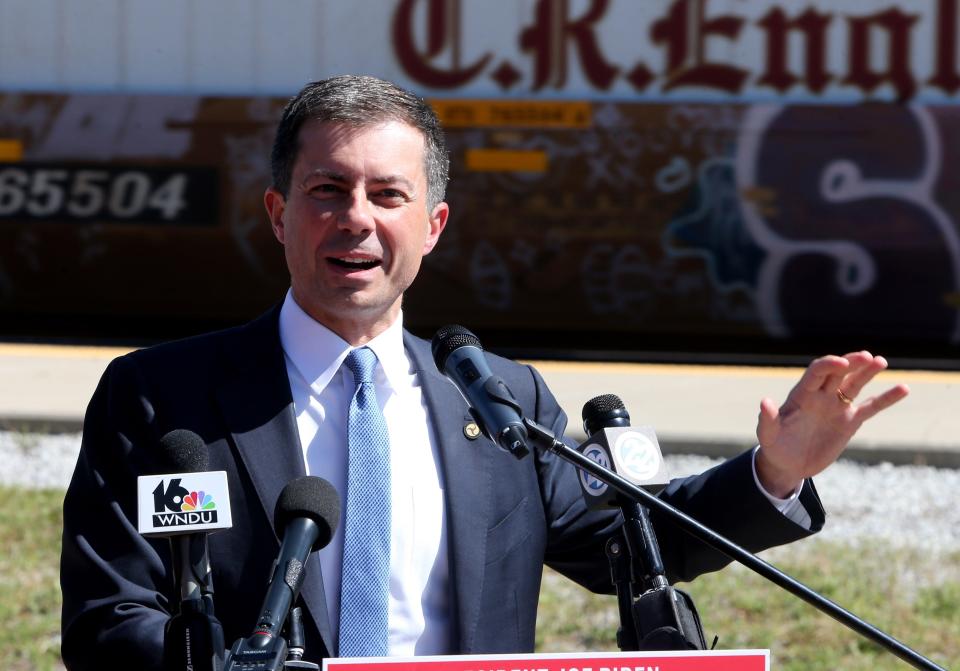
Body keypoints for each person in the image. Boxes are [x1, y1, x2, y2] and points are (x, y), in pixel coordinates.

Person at [59, 75, 909, 669]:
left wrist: (776, 471)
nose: (356, 220)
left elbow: (631, 542)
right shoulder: (162, 399)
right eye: (327, 190)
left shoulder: (500, 402)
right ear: (280, 214)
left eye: (387, 195)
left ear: (432, 225)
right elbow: (107, 620)